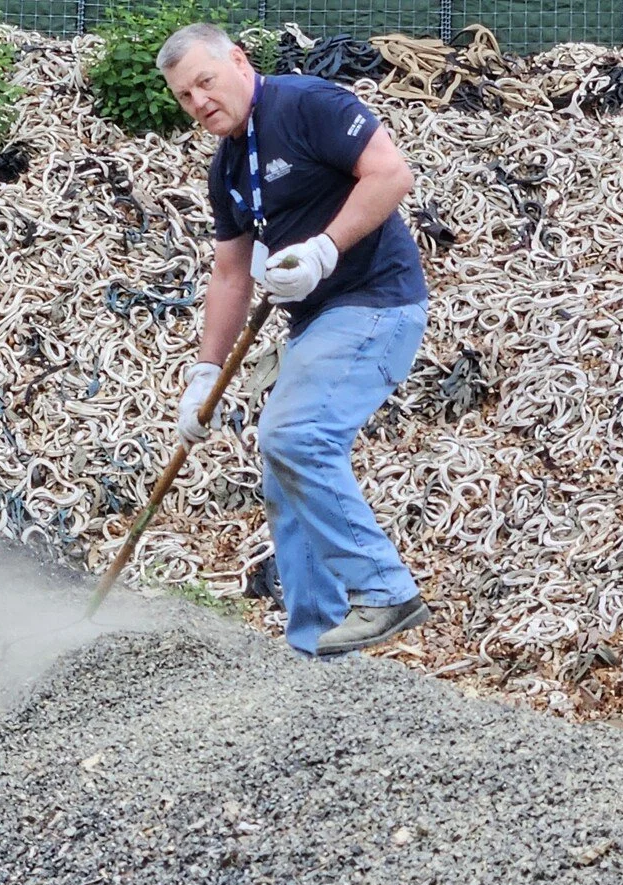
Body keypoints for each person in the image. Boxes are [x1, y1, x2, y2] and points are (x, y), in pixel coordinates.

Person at [161, 23, 433, 658]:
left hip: (375, 303)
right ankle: (317, 648)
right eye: (184, 96)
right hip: (315, 322)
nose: (199, 101)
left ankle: (385, 589)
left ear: (238, 60)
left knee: (295, 436)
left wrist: (323, 249)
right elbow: (231, 274)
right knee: (286, 477)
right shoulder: (228, 166)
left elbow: (391, 174)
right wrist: (205, 372)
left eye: (205, 82)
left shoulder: (308, 104)